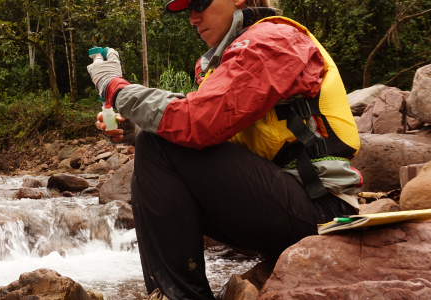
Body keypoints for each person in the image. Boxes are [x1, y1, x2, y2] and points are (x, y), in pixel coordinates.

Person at [87, 0, 363, 299]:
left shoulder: (274, 40)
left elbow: (196, 122)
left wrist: (111, 85)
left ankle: (180, 295)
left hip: (321, 208)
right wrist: (132, 129)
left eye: (200, 3)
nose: (193, 18)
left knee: (157, 143)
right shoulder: (235, 56)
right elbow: (206, 135)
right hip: (281, 202)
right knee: (153, 142)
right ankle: (169, 292)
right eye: (188, 10)